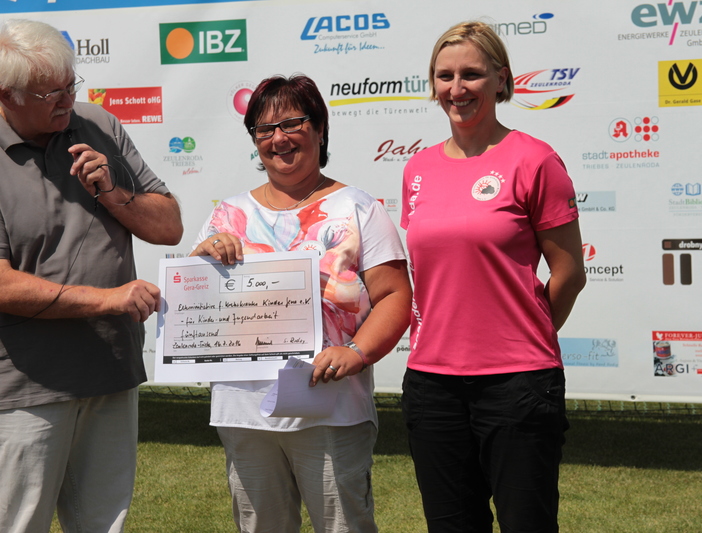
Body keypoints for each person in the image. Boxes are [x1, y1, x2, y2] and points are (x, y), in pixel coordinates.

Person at [190, 74, 412, 533]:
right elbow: (196, 299)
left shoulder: (358, 208)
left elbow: (395, 296)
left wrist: (356, 352)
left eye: (293, 123)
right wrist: (202, 256)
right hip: (245, 412)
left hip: (332, 407)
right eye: (265, 129)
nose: (279, 138)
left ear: (320, 129)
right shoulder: (226, 214)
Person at [400, 21, 586, 533]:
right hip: (432, 383)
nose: (456, 88)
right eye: (445, 76)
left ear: (501, 80)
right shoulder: (417, 168)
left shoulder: (535, 160)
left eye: (472, 75)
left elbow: (569, 272)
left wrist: (523, 333)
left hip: (518, 384)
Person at [0, 19, 183, 533]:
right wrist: (108, 301)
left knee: (103, 524)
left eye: (70, 84)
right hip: (26, 387)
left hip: (111, 370)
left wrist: (112, 192)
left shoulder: (97, 123)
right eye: (50, 93)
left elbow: (169, 226)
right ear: (7, 95)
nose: (67, 100)